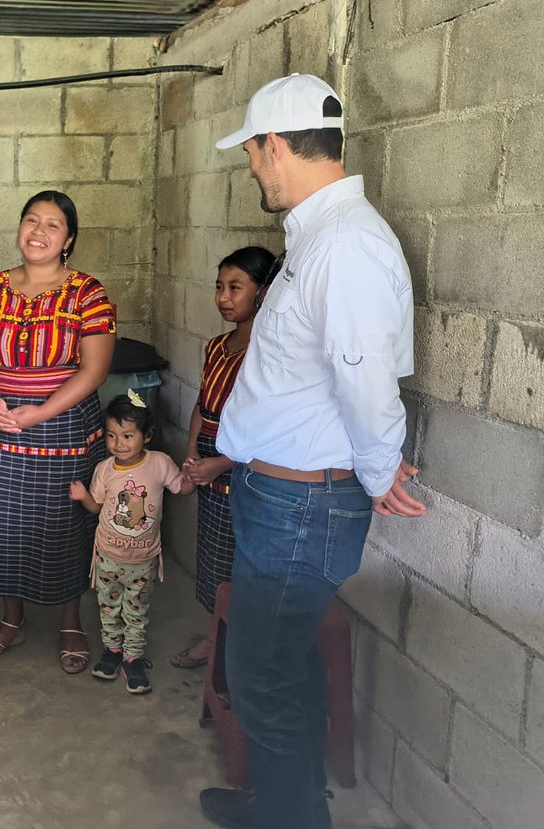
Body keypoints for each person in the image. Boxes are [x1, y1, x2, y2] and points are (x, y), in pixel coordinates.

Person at [197, 74, 427, 829]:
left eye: (254, 155)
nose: (254, 171)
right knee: (277, 668)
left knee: (262, 677)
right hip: (284, 498)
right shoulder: (318, 236)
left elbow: (364, 380)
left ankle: (292, 822)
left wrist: (376, 468)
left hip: (303, 504)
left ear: (273, 145)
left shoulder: (347, 246)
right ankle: (280, 803)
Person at [0, 189, 116, 675]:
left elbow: (94, 372)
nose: (39, 231)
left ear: (68, 239)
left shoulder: (87, 293)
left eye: (52, 224)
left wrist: (39, 412)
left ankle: (71, 621)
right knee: (5, 523)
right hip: (2, 423)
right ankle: (11, 618)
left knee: (62, 523)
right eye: (31, 220)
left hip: (63, 426)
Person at [170, 246, 275, 670]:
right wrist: (193, 453)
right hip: (209, 455)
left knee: (240, 559)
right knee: (212, 554)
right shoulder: (217, 346)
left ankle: (235, 648)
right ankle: (216, 637)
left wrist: (220, 462)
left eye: (236, 287)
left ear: (264, 292)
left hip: (244, 462)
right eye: (219, 287)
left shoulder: (268, 352)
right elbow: (202, 405)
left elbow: (266, 425)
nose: (224, 297)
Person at [70, 393, 193, 694]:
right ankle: (112, 652)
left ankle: (133, 658)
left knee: (136, 611)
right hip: (108, 557)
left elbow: (182, 489)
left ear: (147, 436)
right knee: (108, 608)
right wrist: (83, 496)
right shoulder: (105, 469)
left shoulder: (160, 463)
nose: (118, 443)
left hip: (143, 559)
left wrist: (195, 472)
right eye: (111, 435)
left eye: (127, 435)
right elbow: (97, 507)